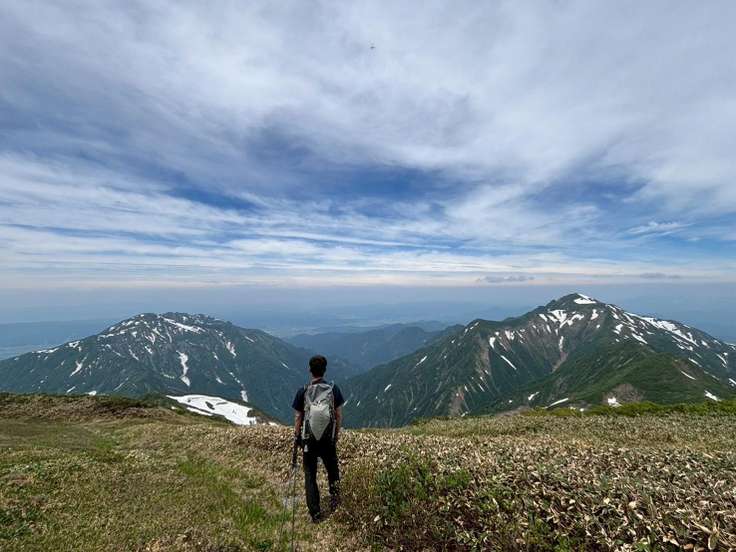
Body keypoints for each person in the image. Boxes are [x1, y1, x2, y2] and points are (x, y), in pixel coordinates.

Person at [292, 355, 345, 523]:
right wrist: (335, 434)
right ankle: (335, 503)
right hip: (328, 438)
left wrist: (297, 436)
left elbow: (298, 417)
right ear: (325, 370)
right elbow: (338, 415)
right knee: (332, 470)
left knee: (310, 474)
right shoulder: (333, 389)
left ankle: (315, 513)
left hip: (309, 440)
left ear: (310, 370)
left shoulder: (303, 391)